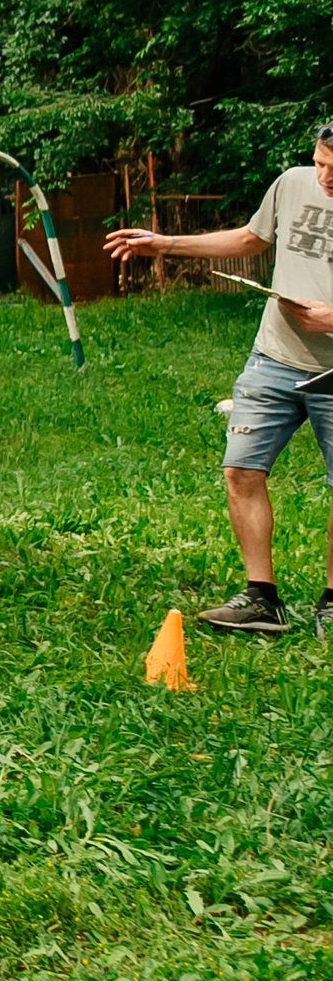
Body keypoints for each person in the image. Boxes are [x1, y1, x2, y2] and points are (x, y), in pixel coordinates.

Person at [108, 125, 333, 638]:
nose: (323, 177)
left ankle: (332, 602)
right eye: (319, 163)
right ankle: (261, 598)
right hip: (274, 355)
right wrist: (165, 243)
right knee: (241, 472)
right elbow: (251, 238)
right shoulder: (292, 184)